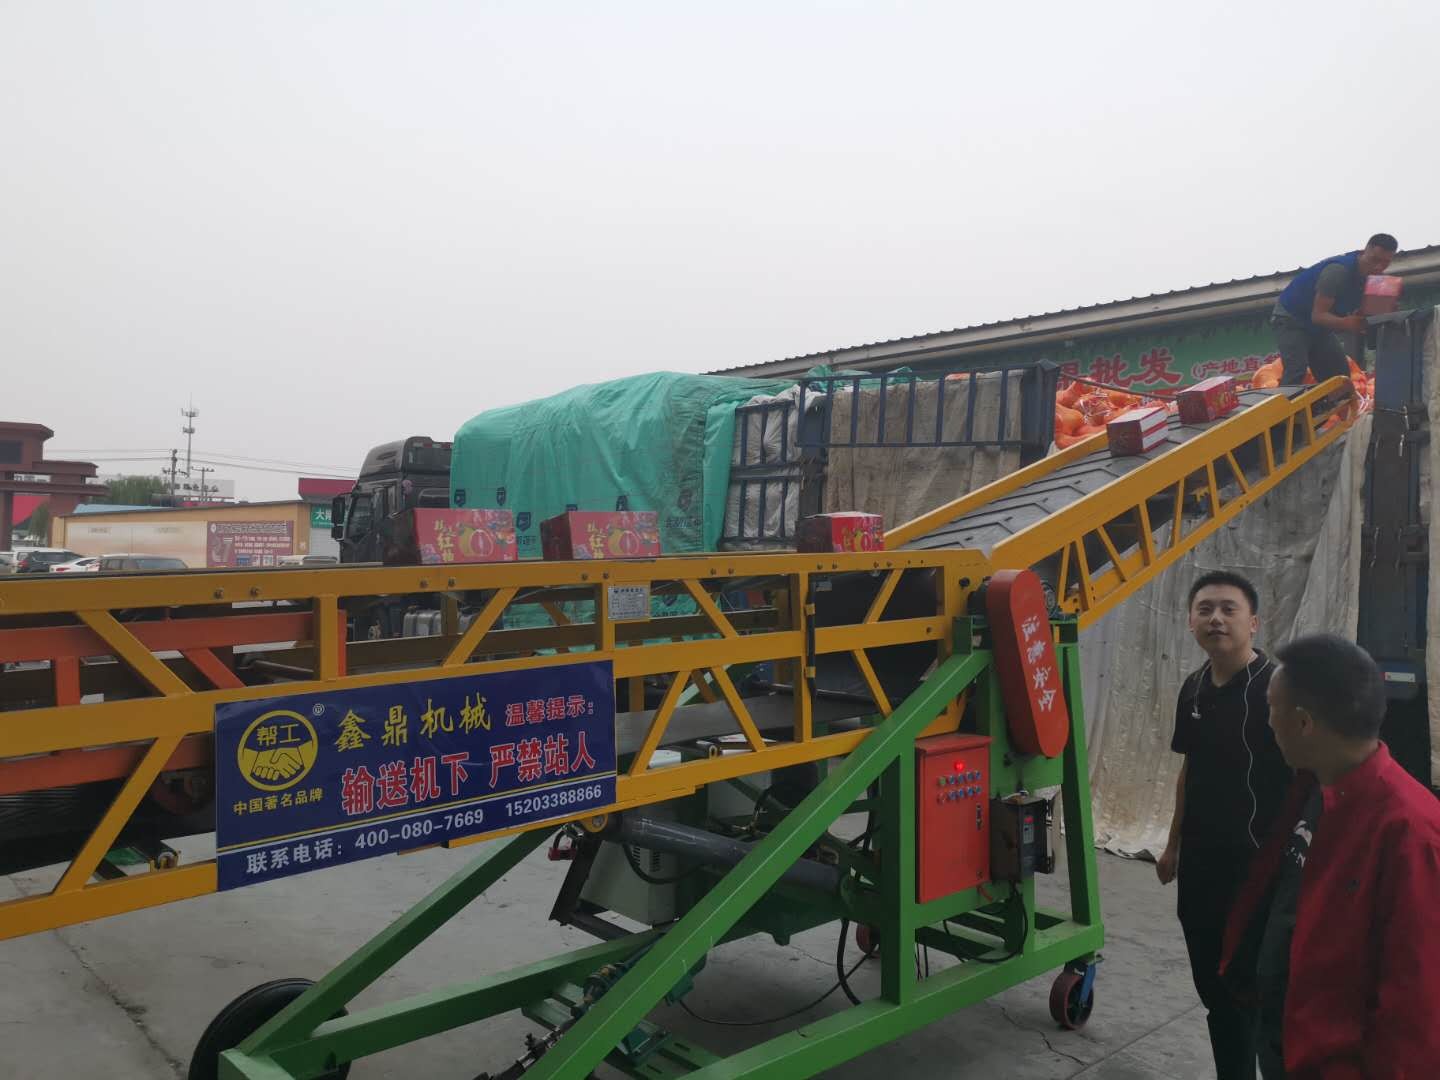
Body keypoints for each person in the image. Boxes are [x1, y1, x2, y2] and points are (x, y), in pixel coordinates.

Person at [1220, 634, 1440, 1078]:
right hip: (1287, 1036)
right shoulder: (1315, 788)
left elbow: (1415, 1012)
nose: (1268, 722)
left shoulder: (1410, 832)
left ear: (1304, 724)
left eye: (1271, 708)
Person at [1157, 570, 1291, 1080]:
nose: (1216, 618)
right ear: (1190, 622)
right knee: (1214, 989)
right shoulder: (1193, 688)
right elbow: (1190, 771)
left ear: (1253, 622)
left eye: (1228, 609)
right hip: (1201, 865)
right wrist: (1172, 845)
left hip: (1258, 869)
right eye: (1205, 609)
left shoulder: (1279, 691)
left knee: (1253, 990)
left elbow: (1308, 782)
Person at [1271, 234, 1397, 387]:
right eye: (1375, 260)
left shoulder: (1379, 282)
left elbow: (1367, 319)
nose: (1378, 267)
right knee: (1296, 370)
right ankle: (1284, 403)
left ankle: (1335, 403)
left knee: (1340, 375)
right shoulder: (1338, 271)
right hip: (1291, 318)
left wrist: (1375, 317)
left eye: (1385, 263)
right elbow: (1318, 316)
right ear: (1366, 250)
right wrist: (1348, 323)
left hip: (1320, 328)